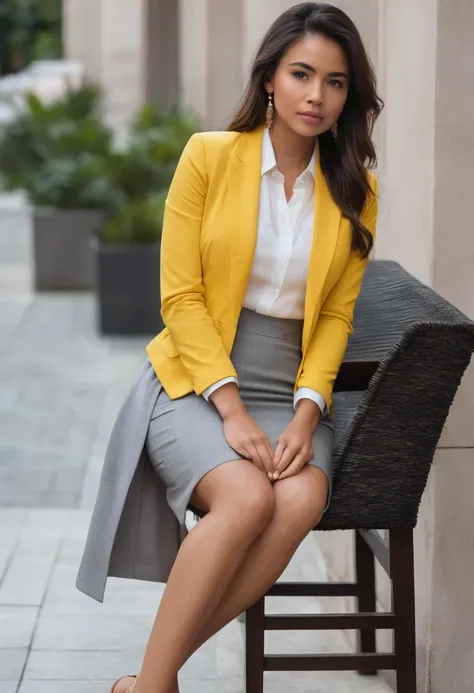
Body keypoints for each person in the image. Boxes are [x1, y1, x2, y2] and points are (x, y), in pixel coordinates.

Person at [78, 3, 384, 692]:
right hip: (196, 378)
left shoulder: (355, 190)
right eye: (301, 74)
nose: (316, 95)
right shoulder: (208, 157)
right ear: (270, 78)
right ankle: (155, 687)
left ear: (349, 96)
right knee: (245, 498)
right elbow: (180, 298)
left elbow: (336, 313)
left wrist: (308, 413)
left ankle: (148, 680)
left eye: (335, 82)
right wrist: (233, 409)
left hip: (293, 392)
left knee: (300, 497)